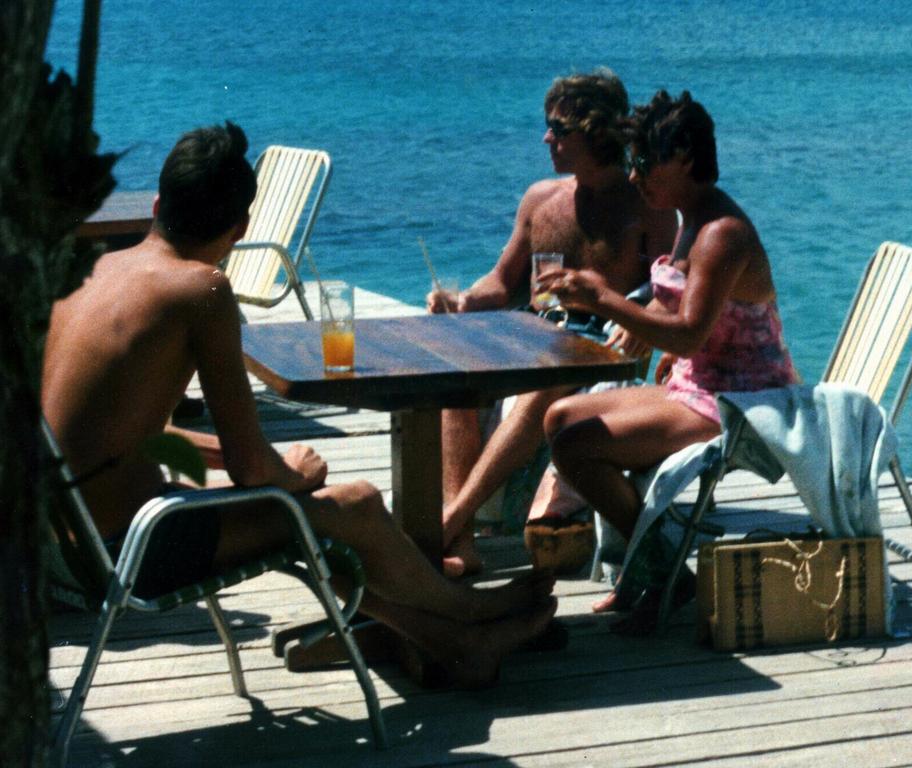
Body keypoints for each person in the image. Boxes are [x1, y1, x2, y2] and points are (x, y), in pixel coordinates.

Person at [41, 122, 556, 688]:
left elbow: (125, 434)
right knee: (353, 503)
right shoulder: (201, 289)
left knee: (308, 519)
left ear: (159, 203)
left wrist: (274, 471)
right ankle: (472, 610)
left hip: (60, 543)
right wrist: (293, 471)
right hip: (133, 550)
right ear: (241, 227)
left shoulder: (87, 269)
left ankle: (459, 642)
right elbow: (250, 470)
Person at [535, 90, 800, 619]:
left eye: (642, 162)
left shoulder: (722, 233)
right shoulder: (690, 217)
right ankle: (648, 566)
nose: (633, 176)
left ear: (683, 159)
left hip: (744, 401)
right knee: (558, 417)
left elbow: (687, 335)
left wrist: (603, 299)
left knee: (579, 447)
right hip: (701, 384)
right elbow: (682, 325)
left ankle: (663, 574)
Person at [426, 70, 678, 578]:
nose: (547, 138)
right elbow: (502, 281)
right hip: (532, 334)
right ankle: (465, 539)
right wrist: (462, 302)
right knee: (455, 377)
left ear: (599, 132)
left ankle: (450, 520)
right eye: (548, 127)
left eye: (560, 130)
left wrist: (648, 317)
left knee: (551, 378)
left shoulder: (647, 208)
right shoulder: (541, 200)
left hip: (602, 352)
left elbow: (671, 287)